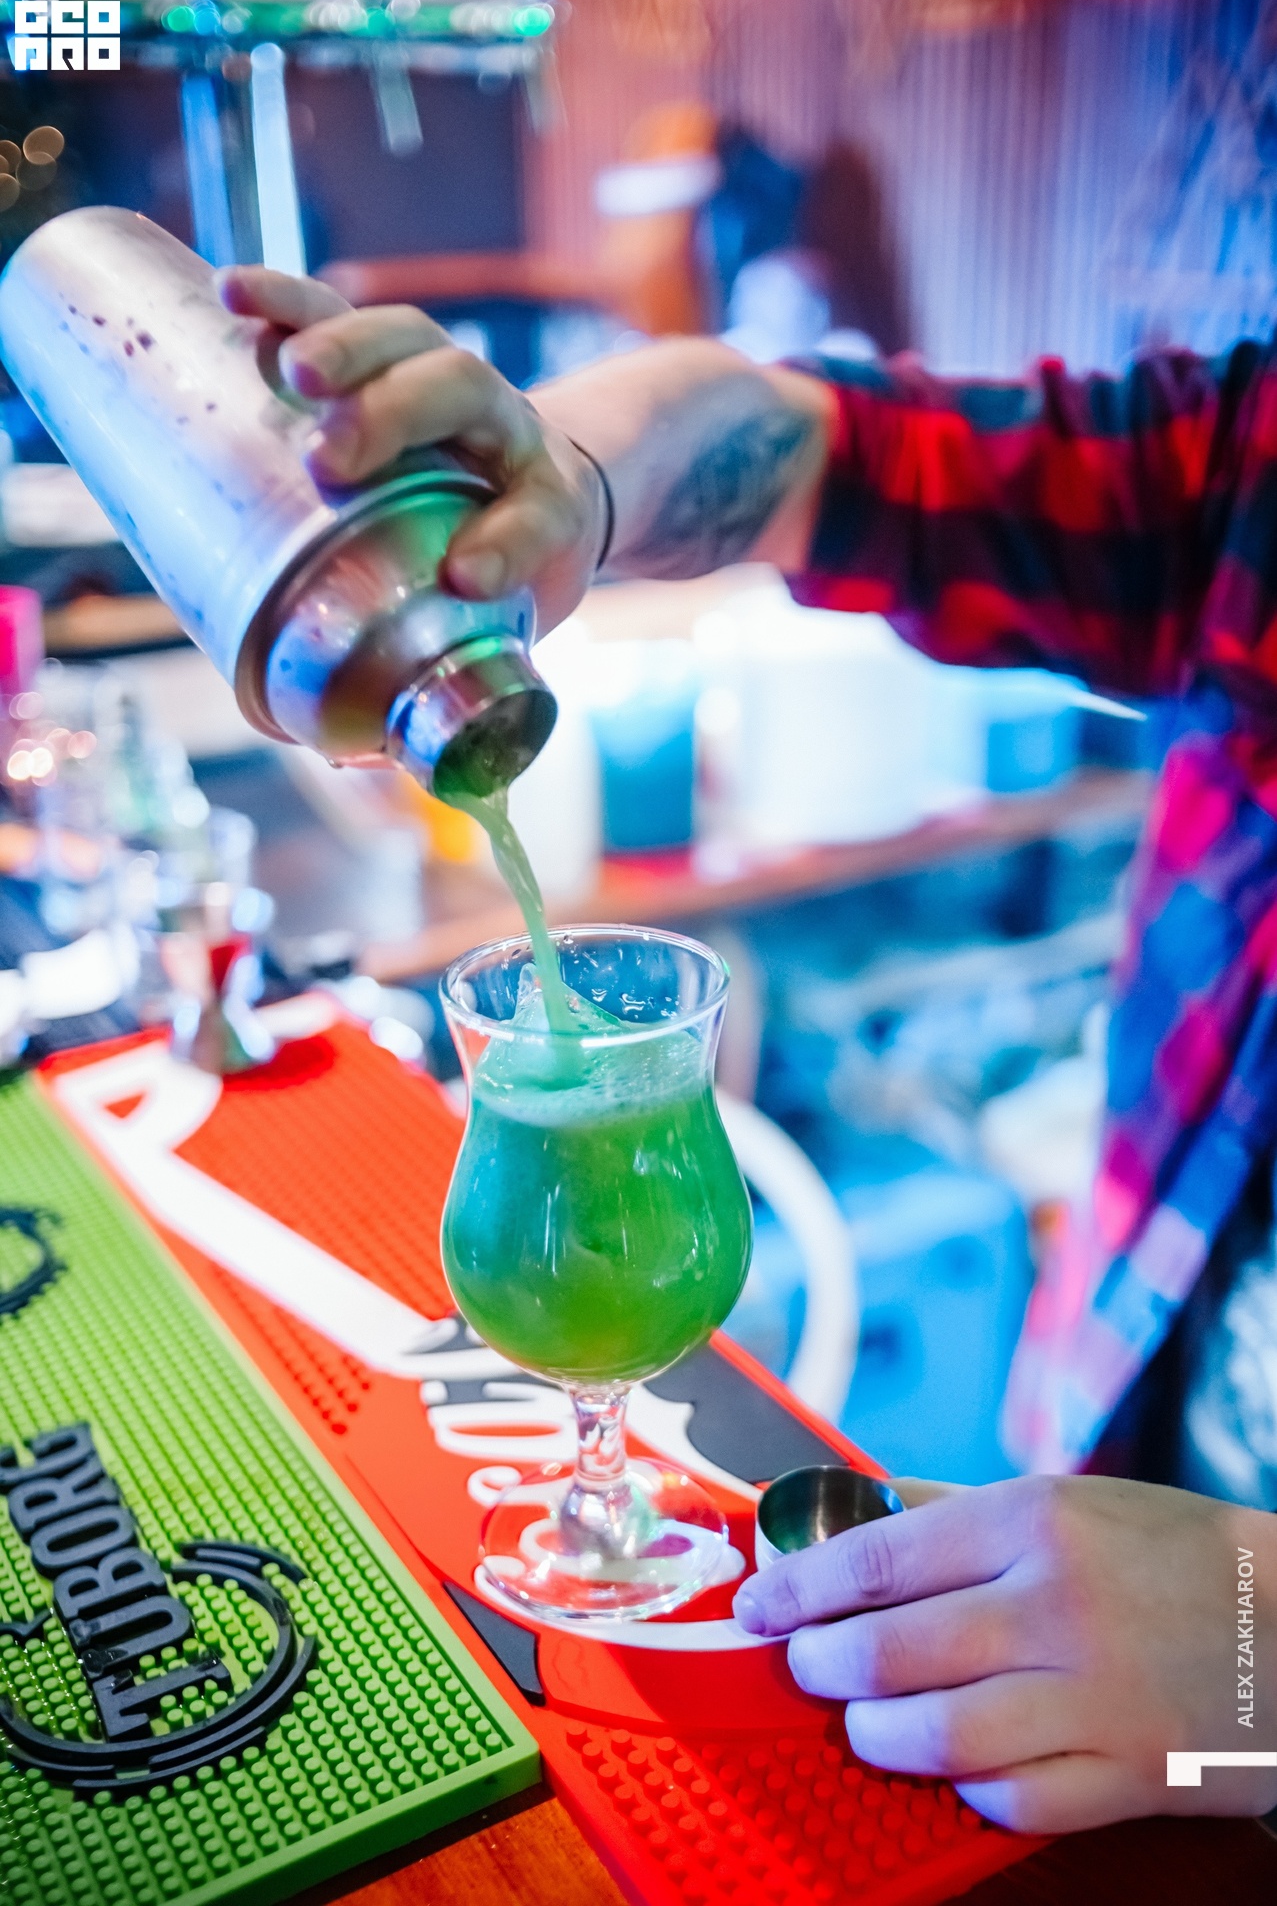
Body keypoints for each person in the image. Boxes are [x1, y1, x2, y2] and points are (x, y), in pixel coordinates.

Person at [219, 266, 1276, 1835]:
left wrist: (1256, 1674)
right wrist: (561, 477)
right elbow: (824, 449)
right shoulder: (1255, 464)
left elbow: (1238, 1731)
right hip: (1114, 1450)